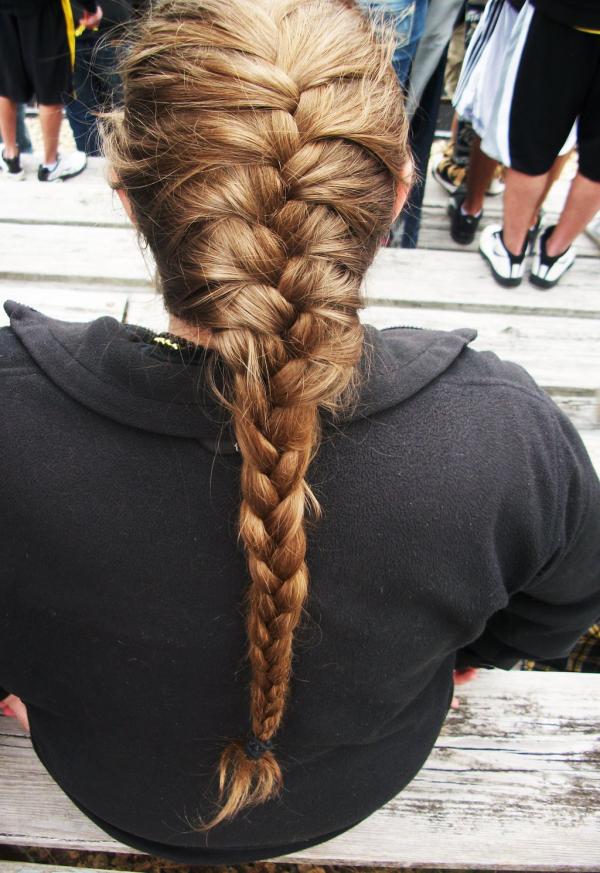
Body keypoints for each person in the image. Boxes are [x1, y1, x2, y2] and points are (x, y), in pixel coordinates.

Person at [1, 0, 599, 863]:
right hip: (363, 781)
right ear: (397, 197)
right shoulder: (507, 437)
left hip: (106, 784)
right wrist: (462, 658)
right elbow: (564, 605)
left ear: (129, 198)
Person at [478, 0, 600, 287]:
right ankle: (554, 254)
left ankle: (511, 250)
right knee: (597, 160)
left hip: (562, 16)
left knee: (531, 137)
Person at [0, 0, 103, 181]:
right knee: (50, 82)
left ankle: (10, 158)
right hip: (44, 9)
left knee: (6, 79)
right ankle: (50, 164)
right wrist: (91, 8)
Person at [66, 0, 132, 155]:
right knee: (86, 113)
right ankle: (108, 164)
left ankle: (121, 164)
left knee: (121, 111)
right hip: (73, 35)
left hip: (113, 31)